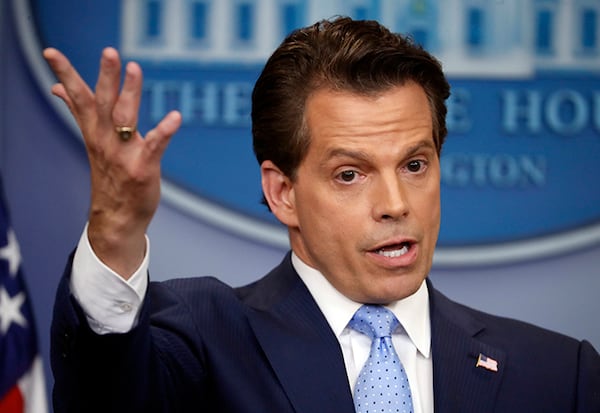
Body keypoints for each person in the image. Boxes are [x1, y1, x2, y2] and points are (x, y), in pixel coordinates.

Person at [44, 17, 599, 413]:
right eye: (350, 174)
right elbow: (106, 394)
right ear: (283, 192)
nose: (395, 205)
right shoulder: (205, 339)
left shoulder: (557, 374)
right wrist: (116, 228)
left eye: (414, 164)